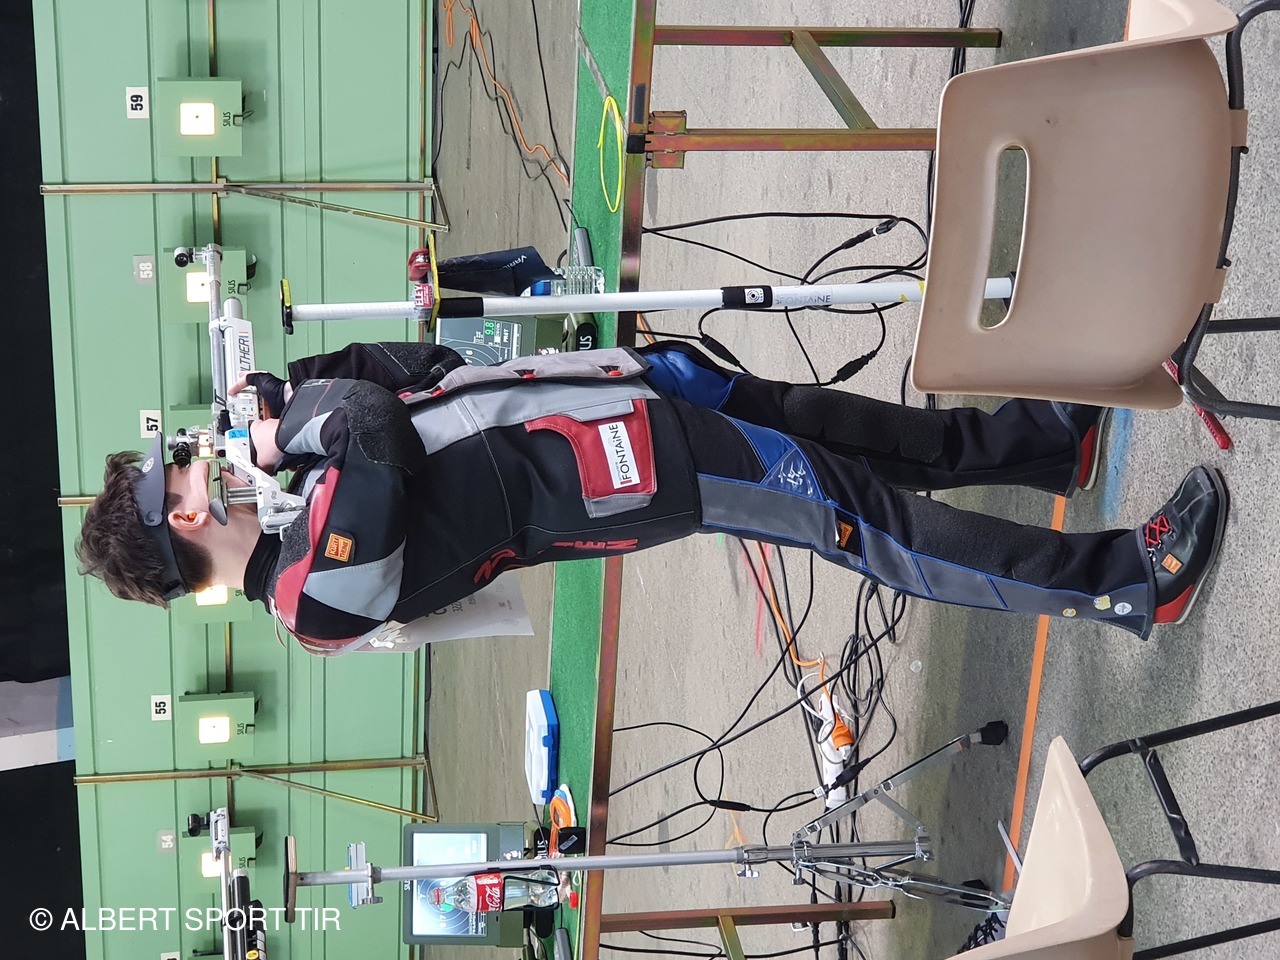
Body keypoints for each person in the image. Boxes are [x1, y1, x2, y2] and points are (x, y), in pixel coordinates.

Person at [74, 341, 1228, 654]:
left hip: (617, 402)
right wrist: (292, 426)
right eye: (184, 472)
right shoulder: (310, 594)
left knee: (846, 431)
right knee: (874, 526)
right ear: (185, 519)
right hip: (632, 476)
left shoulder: (302, 482)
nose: (204, 459)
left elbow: (413, 374)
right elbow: (371, 431)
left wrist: (289, 391)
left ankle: (1045, 446)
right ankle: (1124, 584)